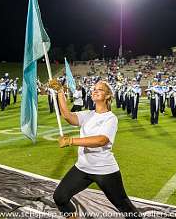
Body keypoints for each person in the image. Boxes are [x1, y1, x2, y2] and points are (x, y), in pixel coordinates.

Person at [49, 79, 141, 219]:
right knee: (60, 197)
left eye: (100, 89)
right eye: (94, 89)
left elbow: (101, 140)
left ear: (108, 96)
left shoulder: (110, 118)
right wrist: (60, 92)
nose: (95, 90)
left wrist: (71, 141)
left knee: (125, 207)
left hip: (104, 170)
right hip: (83, 167)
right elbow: (68, 116)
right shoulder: (88, 114)